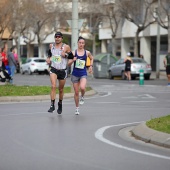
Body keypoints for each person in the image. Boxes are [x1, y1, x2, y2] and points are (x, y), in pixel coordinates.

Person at [46, 32, 73, 114]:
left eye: (59, 37)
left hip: (62, 70)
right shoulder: (51, 46)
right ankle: (52, 105)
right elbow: (49, 53)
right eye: (56, 37)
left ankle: (60, 103)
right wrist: (48, 59)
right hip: (54, 69)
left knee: (61, 89)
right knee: (53, 86)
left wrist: (65, 55)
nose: (57, 38)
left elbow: (72, 56)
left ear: (62, 38)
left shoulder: (66, 47)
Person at [68, 36, 93, 115]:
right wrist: (72, 60)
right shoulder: (73, 53)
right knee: (76, 92)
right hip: (75, 74)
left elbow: (92, 58)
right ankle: (77, 108)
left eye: (82, 43)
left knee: (82, 87)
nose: (81, 44)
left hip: (83, 73)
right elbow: (68, 64)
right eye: (80, 43)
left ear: (84, 44)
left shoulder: (87, 53)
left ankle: (82, 96)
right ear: (77, 43)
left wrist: (90, 66)